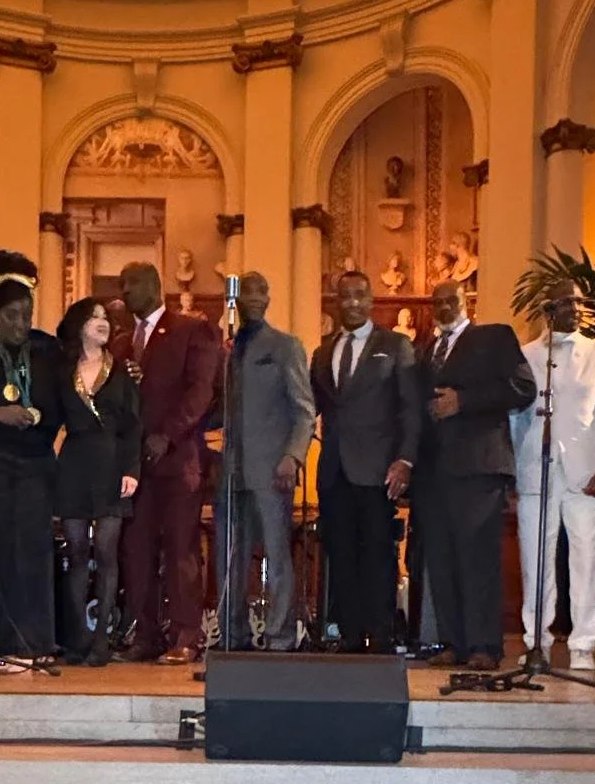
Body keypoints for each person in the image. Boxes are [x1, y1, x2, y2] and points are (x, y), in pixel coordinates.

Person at [410, 279, 536, 671]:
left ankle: (484, 645)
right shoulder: (426, 351)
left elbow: (523, 387)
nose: (445, 306)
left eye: (453, 300)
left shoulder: (494, 338)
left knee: (477, 558)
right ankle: (454, 642)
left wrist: (463, 401)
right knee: (442, 560)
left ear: (468, 302)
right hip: (434, 472)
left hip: (478, 466)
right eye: (438, 302)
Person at [510, 281, 595, 671]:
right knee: (534, 559)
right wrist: (511, 468)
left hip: (585, 471)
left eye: (579, 302)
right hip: (534, 469)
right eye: (566, 302)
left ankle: (582, 644)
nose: (575, 309)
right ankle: (536, 641)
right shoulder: (525, 357)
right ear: (548, 308)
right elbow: (513, 418)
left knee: (587, 559)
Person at [114, 260, 220, 665]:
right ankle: (145, 635)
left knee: (181, 550)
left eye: (132, 283)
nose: (125, 292)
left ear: (155, 285)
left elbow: (201, 392)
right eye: (122, 285)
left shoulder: (191, 330)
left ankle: (185, 636)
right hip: (134, 467)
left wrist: (167, 435)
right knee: (136, 551)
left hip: (179, 462)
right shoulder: (122, 344)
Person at [310, 269, 420, 652]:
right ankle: (352, 636)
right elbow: (310, 406)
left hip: (378, 470)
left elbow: (410, 408)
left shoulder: (395, 345)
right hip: (334, 470)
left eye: (360, 295)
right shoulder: (323, 352)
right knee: (340, 553)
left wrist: (405, 460)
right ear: (335, 302)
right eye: (345, 296)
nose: (352, 302)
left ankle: (382, 636)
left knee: (377, 554)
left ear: (372, 300)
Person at [0, 253, 62, 669]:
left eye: (27, 315)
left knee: (33, 552)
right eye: (13, 316)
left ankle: (36, 640)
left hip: (36, 462)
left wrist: (37, 419)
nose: (22, 324)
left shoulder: (46, 349)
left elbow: (60, 401)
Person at [216, 271, 315, 651]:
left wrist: (292, 455)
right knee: (229, 557)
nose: (255, 298)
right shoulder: (228, 348)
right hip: (231, 467)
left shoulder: (285, 346)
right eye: (248, 292)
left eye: (262, 290)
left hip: (272, 467)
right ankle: (232, 635)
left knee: (276, 554)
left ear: (270, 298)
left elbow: (305, 410)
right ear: (235, 300)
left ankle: (280, 637)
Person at [56, 295, 142, 667]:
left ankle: (103, 640)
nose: (102, 322)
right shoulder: (62, 371)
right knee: (76, 553)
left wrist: (132, 471)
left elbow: (133, 426)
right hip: (73, 463)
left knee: (107, 553)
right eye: (94, 317)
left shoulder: (122, 371)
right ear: (79, 326)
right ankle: (77, 638)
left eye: (105, 317)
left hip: (111, 464)